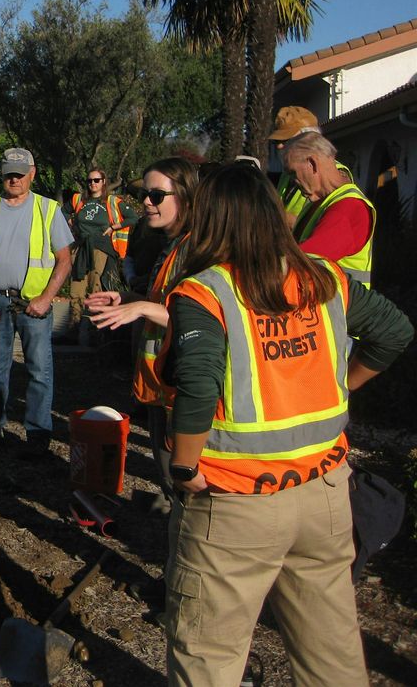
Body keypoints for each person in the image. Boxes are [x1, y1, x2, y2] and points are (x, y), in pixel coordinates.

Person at [159, 163, 412, 686]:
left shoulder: (207, 291)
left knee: (208, 656)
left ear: (210, 219)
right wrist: (345, 383)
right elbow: (394, 331)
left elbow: (199, 386)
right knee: (331, 653)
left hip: (236, 501)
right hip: (325, 492)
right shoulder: (324, 278)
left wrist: (182, 468)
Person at [86, 157, 198, 513]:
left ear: (185, 196)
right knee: (169, 479)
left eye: (156, 195)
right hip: (161, 388)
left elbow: (203, 320)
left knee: (185, 491)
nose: (146, 202)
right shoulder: (174, 244)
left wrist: (143, 309)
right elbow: (165, 302)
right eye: (144, 195)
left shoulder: (197, 250)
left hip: (181, 389)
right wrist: (128, 299)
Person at [0, 148, 73, 457]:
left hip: (33, 307)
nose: (14, 179)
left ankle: (37, 437)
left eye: (20, 174)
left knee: (39, 372)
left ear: (32, 174)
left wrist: (46, 298)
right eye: (9, 174)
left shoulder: (47, 209)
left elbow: (65, 259)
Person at [282, 131, 376, 288]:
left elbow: (303, 262)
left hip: (342, 304)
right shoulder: (323, 203)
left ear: (312, 164)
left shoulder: (349, 208)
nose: (293, 181)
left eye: (293, 173)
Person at [65, 167, 137, 342]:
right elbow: (63, 212)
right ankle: (73, 330)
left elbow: (133, 217)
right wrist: (70, 221)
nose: (93, 184)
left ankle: (95, 332)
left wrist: (114, 227)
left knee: (96, 289)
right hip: (81, 248)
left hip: (101, 249)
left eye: (96, 180)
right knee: (76, 288)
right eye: (90, 180)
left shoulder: (112, 201)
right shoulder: (78, 199)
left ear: (103, 182)